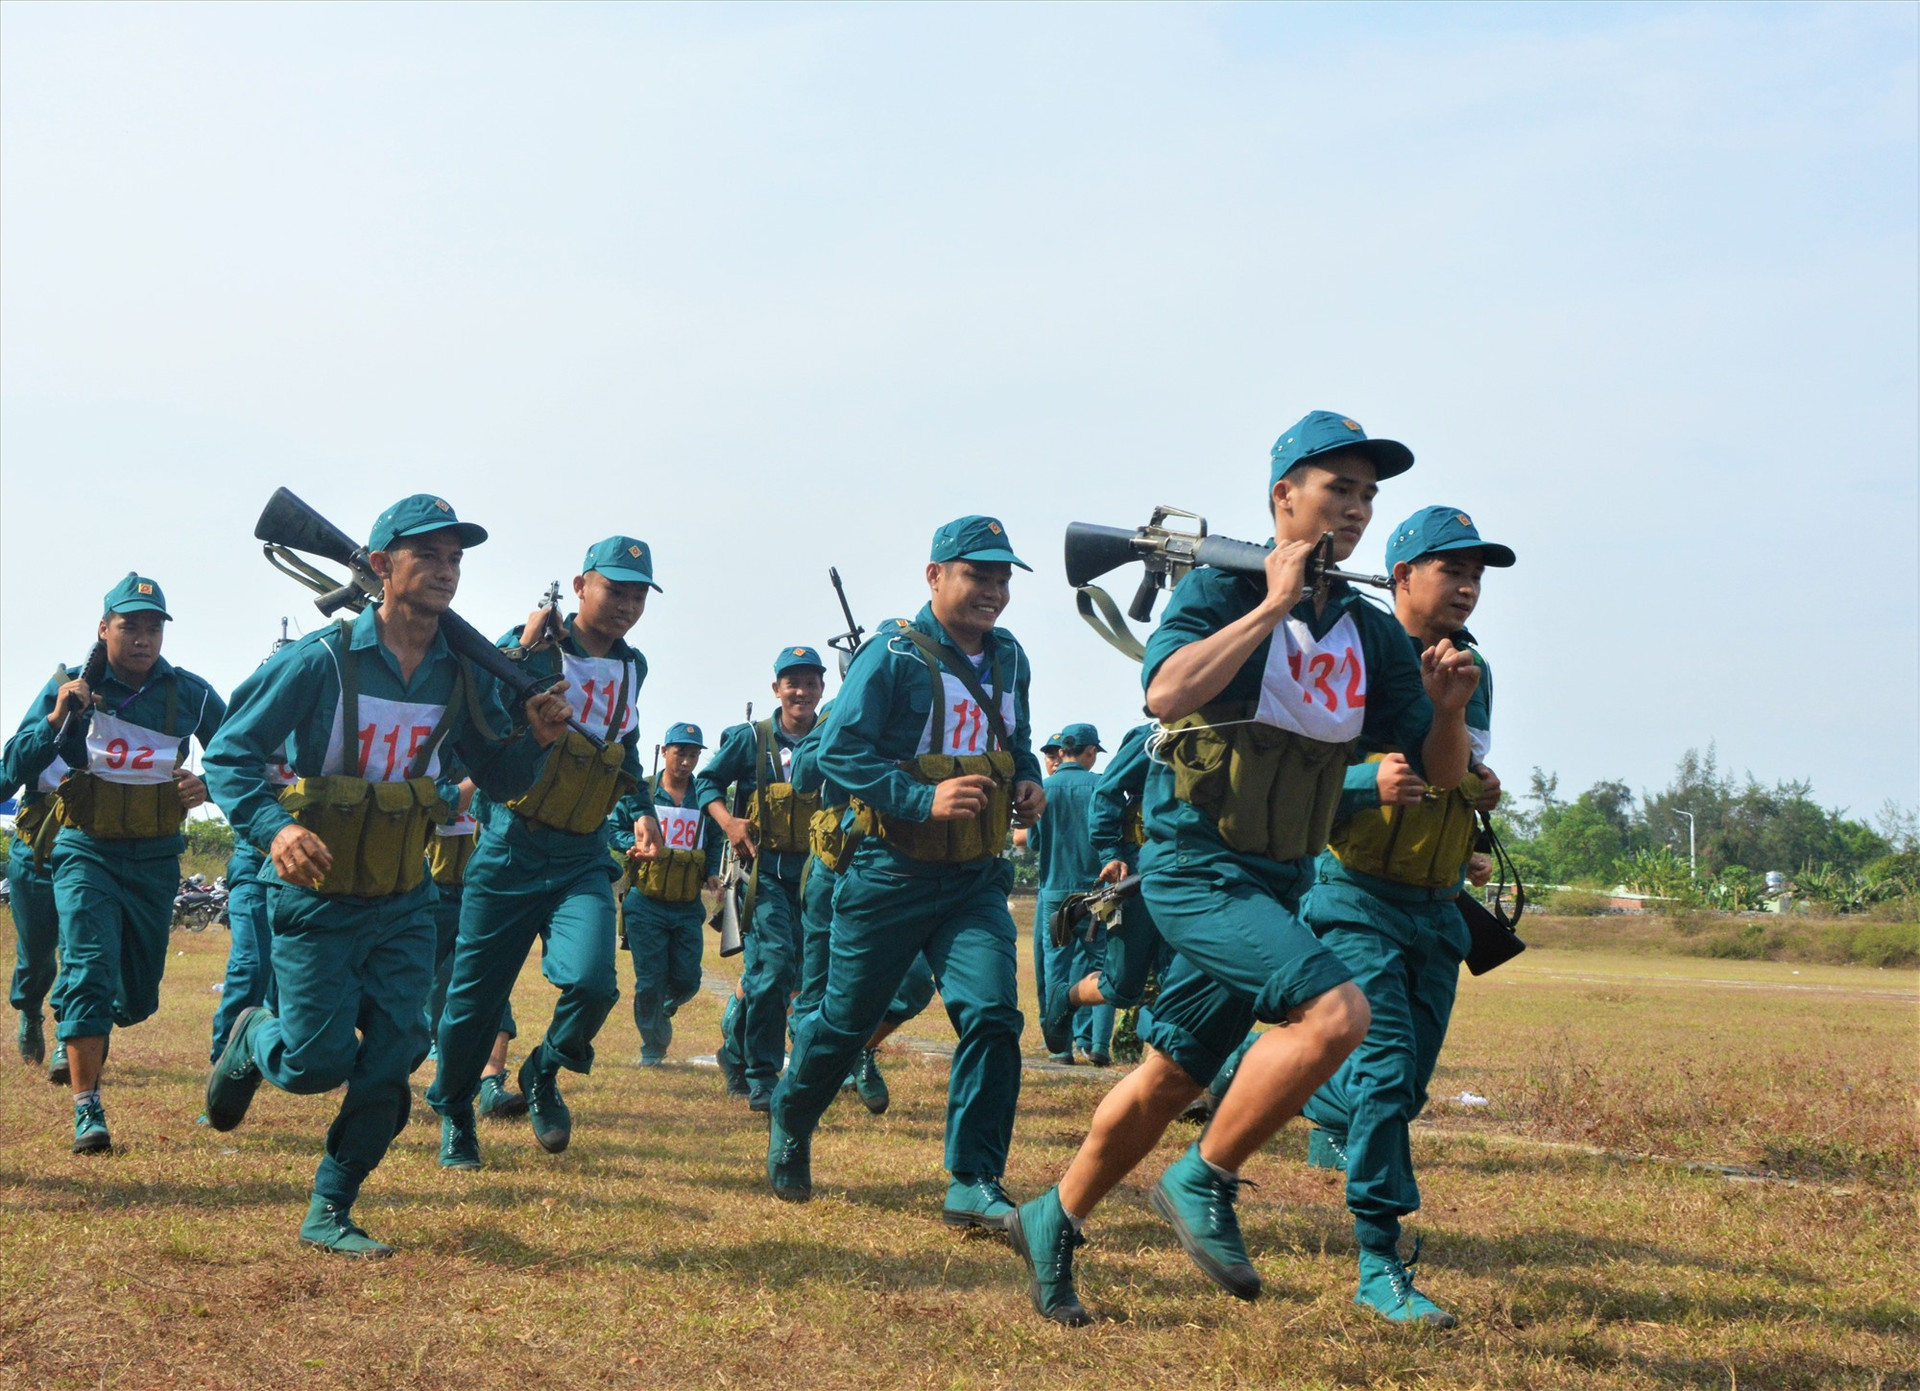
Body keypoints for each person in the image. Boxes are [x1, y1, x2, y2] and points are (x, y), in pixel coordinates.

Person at [1008, 411, 1482, 1325]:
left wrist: (1448, 709)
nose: (1354, 509)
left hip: (1278, 881)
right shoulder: (1221, 594)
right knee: (1338, 1012)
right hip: (1193, 866)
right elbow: (1163, 692)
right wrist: (1269, 603)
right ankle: (1205, 1177)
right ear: (1283, 498)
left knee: (1170, 1078)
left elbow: (1438, 770)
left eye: (1367, 497)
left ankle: (1052, 1215)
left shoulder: (1369, 632)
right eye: (1336, 489)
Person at [204, 496, 566, 1255]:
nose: (445, 570)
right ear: (379, 566)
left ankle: (330, 1205)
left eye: (456, 558)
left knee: (396, 1053)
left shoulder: (460, 674)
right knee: (314, 1062)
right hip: (315, 896)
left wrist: (533, 742)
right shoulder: (321, 660)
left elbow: (496, 777)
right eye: (427, 555)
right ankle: (251, 1036)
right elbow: (230, 754)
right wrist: (276, 827)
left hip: (404, 896)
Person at [766, 515, 1044, 1235]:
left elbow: (1016, 740)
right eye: (977, 574)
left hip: (975, 880)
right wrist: (922, 798)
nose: (993, 590)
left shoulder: (1010, 658)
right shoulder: (889, 654)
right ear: (935, 576)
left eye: (1003, 576)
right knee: (845, 1022)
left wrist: (1029, 780)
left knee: (991, 1015)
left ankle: (973, 1179)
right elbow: (836, 754)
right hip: (889, 872)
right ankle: (794, 1116)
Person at [1298, 505, 1513, 1327]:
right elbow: (1307, 767)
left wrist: (1468, 760)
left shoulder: (1474, 668)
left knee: (1408, 1084)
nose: (1467, 586)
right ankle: (1379, 1262)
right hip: (1357, 891)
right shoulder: (1350, 647)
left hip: (1436, 904)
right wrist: (1368, 781)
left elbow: (1458, 765)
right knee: (1386, 1073)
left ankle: (1315, 1096)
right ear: (1400, 578)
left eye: (1476, 574)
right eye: (1450, 569)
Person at [427, 536, 660, 1166]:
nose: (626, 606)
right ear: (583, 585)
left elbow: (627, 747)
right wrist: (524, 647)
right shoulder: (534, 643)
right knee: (473, 1001)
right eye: (616, 590)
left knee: (592, 981)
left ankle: (544, 1073)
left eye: (639, 595)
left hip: (582, 852)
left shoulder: (633, 665)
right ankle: (455, 1110)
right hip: (511, 845)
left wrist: (641, 812)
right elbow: (480, 699)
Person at [5, 574, 226, 1154]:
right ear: (103, 630)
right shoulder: (69, 685)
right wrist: (57, 717)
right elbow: (10, 768)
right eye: (130, 625)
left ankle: (93, 1016)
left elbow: (242, 752)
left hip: (155, 857)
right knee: (87, 967)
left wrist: (208, 783)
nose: (143, 637)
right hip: (85, 849)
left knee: (139, 994)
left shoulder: (192, 694)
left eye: (154, 627)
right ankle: (88, 1108)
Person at [789, 686, 939, 1116]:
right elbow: (802, 777)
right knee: (818, 989)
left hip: (903, 869)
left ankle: (860, 1050)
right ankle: (800, 1099)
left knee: (912, 984)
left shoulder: (942, 712)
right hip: (837, 864)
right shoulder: (843, 706)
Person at [693, 648, 827, 1112]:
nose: (802, 692)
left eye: (811, 683)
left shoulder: (830, 737)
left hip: (814, 877)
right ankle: (763, 1076)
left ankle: (733, 1049)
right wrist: (728, 822)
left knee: (801, 975)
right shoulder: (752, 738)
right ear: (776, 689)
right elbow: (706, 782)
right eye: (792, 683)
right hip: (760, 876)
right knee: (770, 970)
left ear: (821, 690)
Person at [611, 722, 720, 1066]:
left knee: (688, 978)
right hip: (645, 900)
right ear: (663, 752)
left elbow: (715, 838)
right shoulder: (638, 793)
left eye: (692, 755)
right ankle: (653, 1048)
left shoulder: (704, 795)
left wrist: (714, 872)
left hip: (687, 903)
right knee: (649, 979)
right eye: (680, 753)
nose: (686, 761)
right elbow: (612, 829)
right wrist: (635, 843)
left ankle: (664, 1007)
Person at [423, 779, 525, 1119]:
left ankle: (491, 1084)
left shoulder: (507, 758)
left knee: (493, 985)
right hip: (428, 891)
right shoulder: (433, 752)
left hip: (482, 892)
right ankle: (370, 1068)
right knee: (405, 984)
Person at [1030, 723, 1113, 1065]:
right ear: (1090, 752)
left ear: (1061, 752)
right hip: (1099, 893)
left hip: (1055, 894)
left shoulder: (1043, 789)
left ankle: (1060, 1048)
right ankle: (1099, 1047)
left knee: (1056, 969)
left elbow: (1034, 843)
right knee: (1105, 966)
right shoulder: (1101, 786)